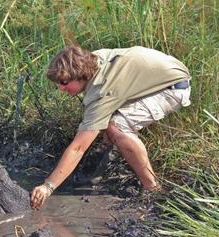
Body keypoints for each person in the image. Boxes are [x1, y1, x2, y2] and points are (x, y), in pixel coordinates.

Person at [30, 46, 191, 209]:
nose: (60, 88)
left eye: (64, 82)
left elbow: (78, 148)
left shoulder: (102, 91)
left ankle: (153, 189)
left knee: (116, 127)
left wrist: (48, 186)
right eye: (58, 83)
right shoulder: (92, 60)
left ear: (80, 75)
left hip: (172, 88)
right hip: (159, 76)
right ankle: (103, 166)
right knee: (103, 122)